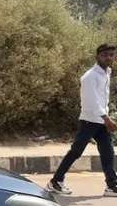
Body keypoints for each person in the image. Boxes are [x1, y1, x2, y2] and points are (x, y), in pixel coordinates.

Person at [47, 43, 116, 197]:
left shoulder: (107, 72)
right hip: (89, 121)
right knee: (76, 151)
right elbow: (91, 100)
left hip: (101, 120)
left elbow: (101, 98)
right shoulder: (90, 76)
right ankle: (55, 182)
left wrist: (106, 117)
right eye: (105, 55)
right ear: (97, 56)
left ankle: (112, 186)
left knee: (108, 152)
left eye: (111, 55)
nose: (108, 58)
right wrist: (107, 119)